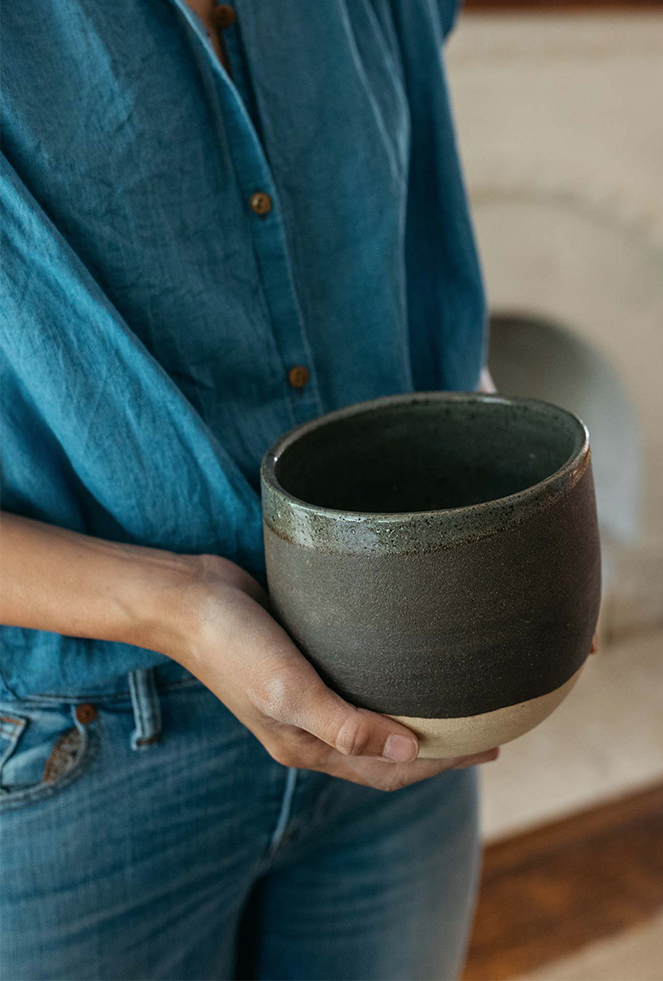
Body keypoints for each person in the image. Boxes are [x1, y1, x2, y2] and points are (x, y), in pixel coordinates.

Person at [0, 2, 529, 977]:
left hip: (402, 711)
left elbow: (410, 267)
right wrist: (179, 608)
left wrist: (508, 513)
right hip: (82, 760)